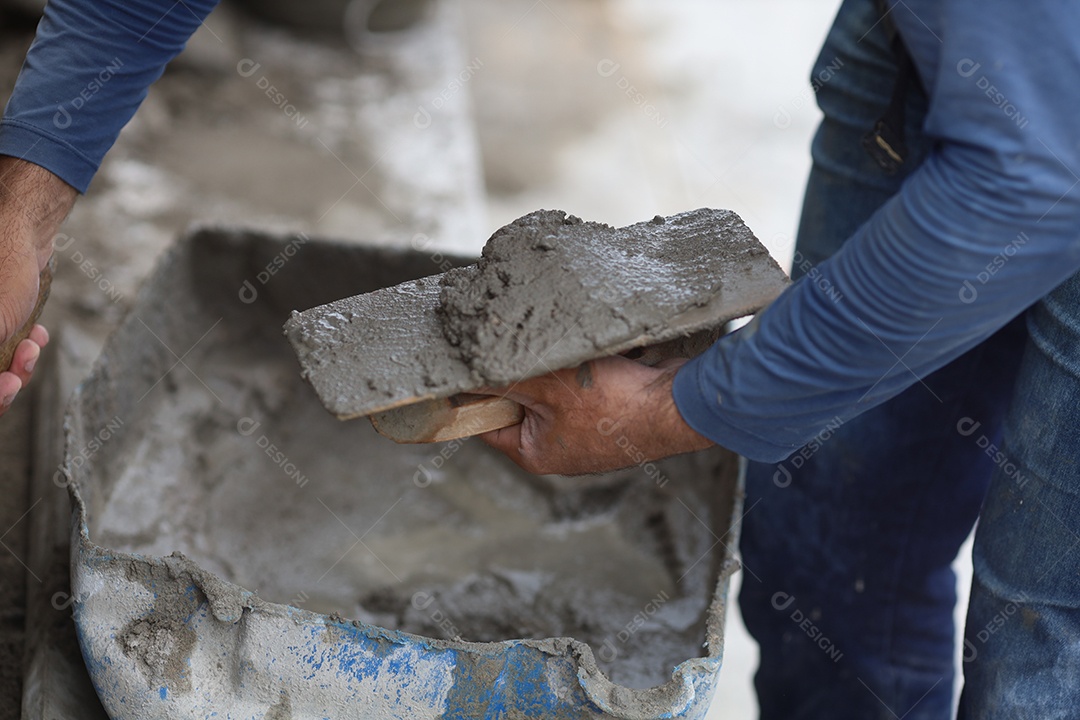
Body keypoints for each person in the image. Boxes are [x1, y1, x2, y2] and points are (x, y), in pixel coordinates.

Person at [1, 0, 1077, 717]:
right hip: (939, 47)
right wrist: (26, 207)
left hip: (1049, 113)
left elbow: (1029, 183)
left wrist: (679, 411)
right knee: (834, 545)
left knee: (1038, 652)